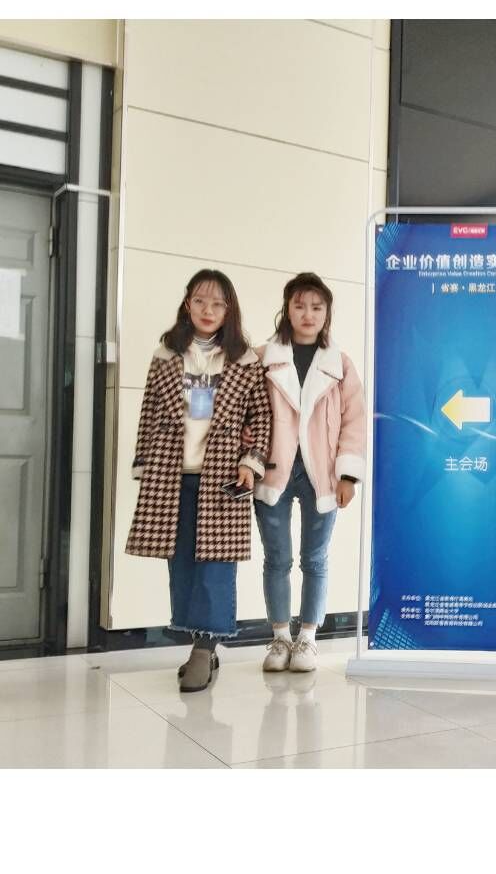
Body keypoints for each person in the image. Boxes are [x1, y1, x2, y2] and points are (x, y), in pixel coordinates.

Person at [125, 269, 271, 693]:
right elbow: (150, 411)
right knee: (183, 565)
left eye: (218, 303)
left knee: (216, 566)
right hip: (171, 475)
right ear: (188, 303)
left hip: (222, 476)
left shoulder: (245, 360)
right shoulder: (166, 354)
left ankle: (204, 651)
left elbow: (261, 417)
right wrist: (143, 464)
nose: (208, 310)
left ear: (229, 310)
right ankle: (199, 643)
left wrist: (250, 462)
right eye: (201, 301)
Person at [251, 272, 366, 673]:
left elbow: (354, 421)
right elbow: (245, 415)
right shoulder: (262, 357)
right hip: (273, 470)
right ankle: (280, 637)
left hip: (323, 472)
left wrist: (348, 475)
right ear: (287, 310)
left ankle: (308, 639)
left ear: (327, 313)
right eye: (299, 306)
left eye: (317, 307)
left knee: (315, 559)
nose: (308, 314)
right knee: (277, 558)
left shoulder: (341, 364)